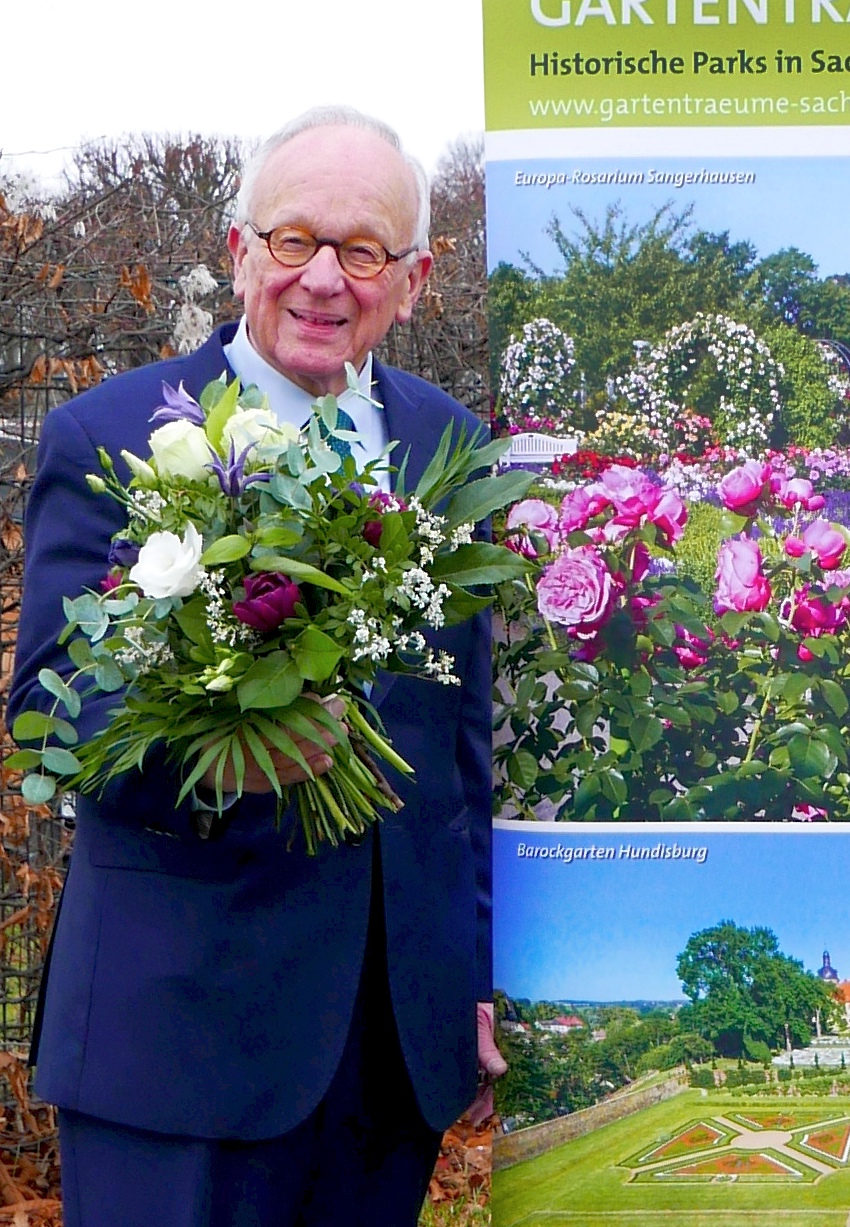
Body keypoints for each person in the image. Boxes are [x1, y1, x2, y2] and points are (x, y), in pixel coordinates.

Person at [8, 107, 505, 1227]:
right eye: (295, 241)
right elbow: (52, 707)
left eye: (364, 251)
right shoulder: (114, 436)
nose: (325, 278)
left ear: (413, 280)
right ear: (242, 251)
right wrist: (231, 752)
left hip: (387, 1053)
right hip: (179, 1038)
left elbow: (462, 749)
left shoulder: (450, 448)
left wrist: (469, 974)